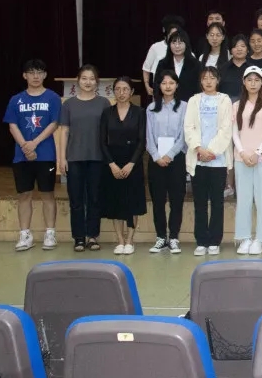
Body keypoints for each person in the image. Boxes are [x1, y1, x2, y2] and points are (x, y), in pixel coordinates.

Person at [5, 59, 61, 252]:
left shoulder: (52, 98)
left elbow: (54, 123)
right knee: (24, 195)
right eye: (31, 72)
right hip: (22, 156)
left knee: (47, 193)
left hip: (45, 155)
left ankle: (50, 233)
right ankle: (25, 234)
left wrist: (34, 143)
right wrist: (25, 146)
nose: (35, 76)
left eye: (39, 72)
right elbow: (12, 125)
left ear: (45, 75)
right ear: (25, 75)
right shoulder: (16, 100)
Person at [184, 66, 233, 256]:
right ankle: (201, 240)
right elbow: (188, 127)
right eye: (205, 78)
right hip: (197, 158)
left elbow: (226, 129)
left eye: (212, 78)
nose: (208, 81)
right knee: (200, 202)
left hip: (218, 160)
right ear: (200, 81)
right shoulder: (194, 100)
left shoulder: (224, 100)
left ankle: (214, 241)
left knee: (217, 202)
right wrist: (199, 149)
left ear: (218, 80)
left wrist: (211, 151)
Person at [57, 65, 107, 252]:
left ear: (97, 82)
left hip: (97, 158)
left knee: (94, 198)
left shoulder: (103, 103)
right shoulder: (68, 104)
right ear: (78, 81)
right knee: (76, 200)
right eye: (84, 78)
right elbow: (64, 132)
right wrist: (62, 158)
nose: (88, 82)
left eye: (92, 79)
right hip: (74, 158)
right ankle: (78, 237)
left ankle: (92, 236)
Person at [99, 76, 147, 255]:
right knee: (116, 201)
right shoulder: (107, 113)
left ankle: (129, 240)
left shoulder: (139, 112)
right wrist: (111, 164)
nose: (121, 93)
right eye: (118, 89)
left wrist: (131, 164)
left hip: (132, 162)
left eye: (125, 89)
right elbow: (102, 141)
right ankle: (120, 240)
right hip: (113, 162)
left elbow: (142, 141)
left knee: (132, 202)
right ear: (113, 91)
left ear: (132, 92)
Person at [232, 66, 262, 255]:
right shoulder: (236, 105)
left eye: (256, 80)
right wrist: (242, 152)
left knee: (261, 199)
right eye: (249, 80)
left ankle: (260, 239)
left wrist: (257, 152)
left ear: (261, 82)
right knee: (243, 199)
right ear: (244, 82)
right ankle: (244, 238)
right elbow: (234, 132)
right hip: (241, 158)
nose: (253, 83)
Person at [145, 70, 187, 255]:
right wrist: (157, 156)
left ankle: (174, 237)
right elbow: (148, 136)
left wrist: (169, 155)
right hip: (156, 160)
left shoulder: (184, 107)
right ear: (159, 86)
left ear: (177, 85)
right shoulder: (151, 108)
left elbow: (184, 135)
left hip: (176, 159)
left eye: (171, 83)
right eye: (164, 83)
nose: (168, 86)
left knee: (177, 200)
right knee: (158, 200)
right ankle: (161, 237)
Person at [142, 14, 185, 97]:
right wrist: (147, 85)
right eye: (171, 34)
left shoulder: (186, 50)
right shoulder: (155, 47)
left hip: (182, 93)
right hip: (160, 93)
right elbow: (146, 68)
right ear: (164, 30)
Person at [157, 28, 202, 102]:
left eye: (180, 43)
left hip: (189, 104)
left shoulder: (196, 65)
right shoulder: (163, 64)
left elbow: (199, 88)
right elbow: (157, 86)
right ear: (169, 45)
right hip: (166, 104)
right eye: (174, 43)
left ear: (186, 44)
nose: (177, 46)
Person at [218, 34, 250, 100]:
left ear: (248, 50)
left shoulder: (252, 69)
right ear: (231, 50)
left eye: (243, 46)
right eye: (235, 46)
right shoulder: (222, 69)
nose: (239, 49)